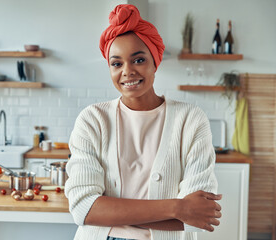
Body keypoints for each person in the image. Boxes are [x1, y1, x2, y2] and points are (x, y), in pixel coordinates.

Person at [65, 4, 222, 240]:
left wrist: (111, 211)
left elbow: (199, 217)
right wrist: (177, 208)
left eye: (138, 60)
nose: (127, 71)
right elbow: (83, 209)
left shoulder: (189, 119)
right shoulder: (93, 119)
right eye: (117, 64)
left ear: (155, 62)